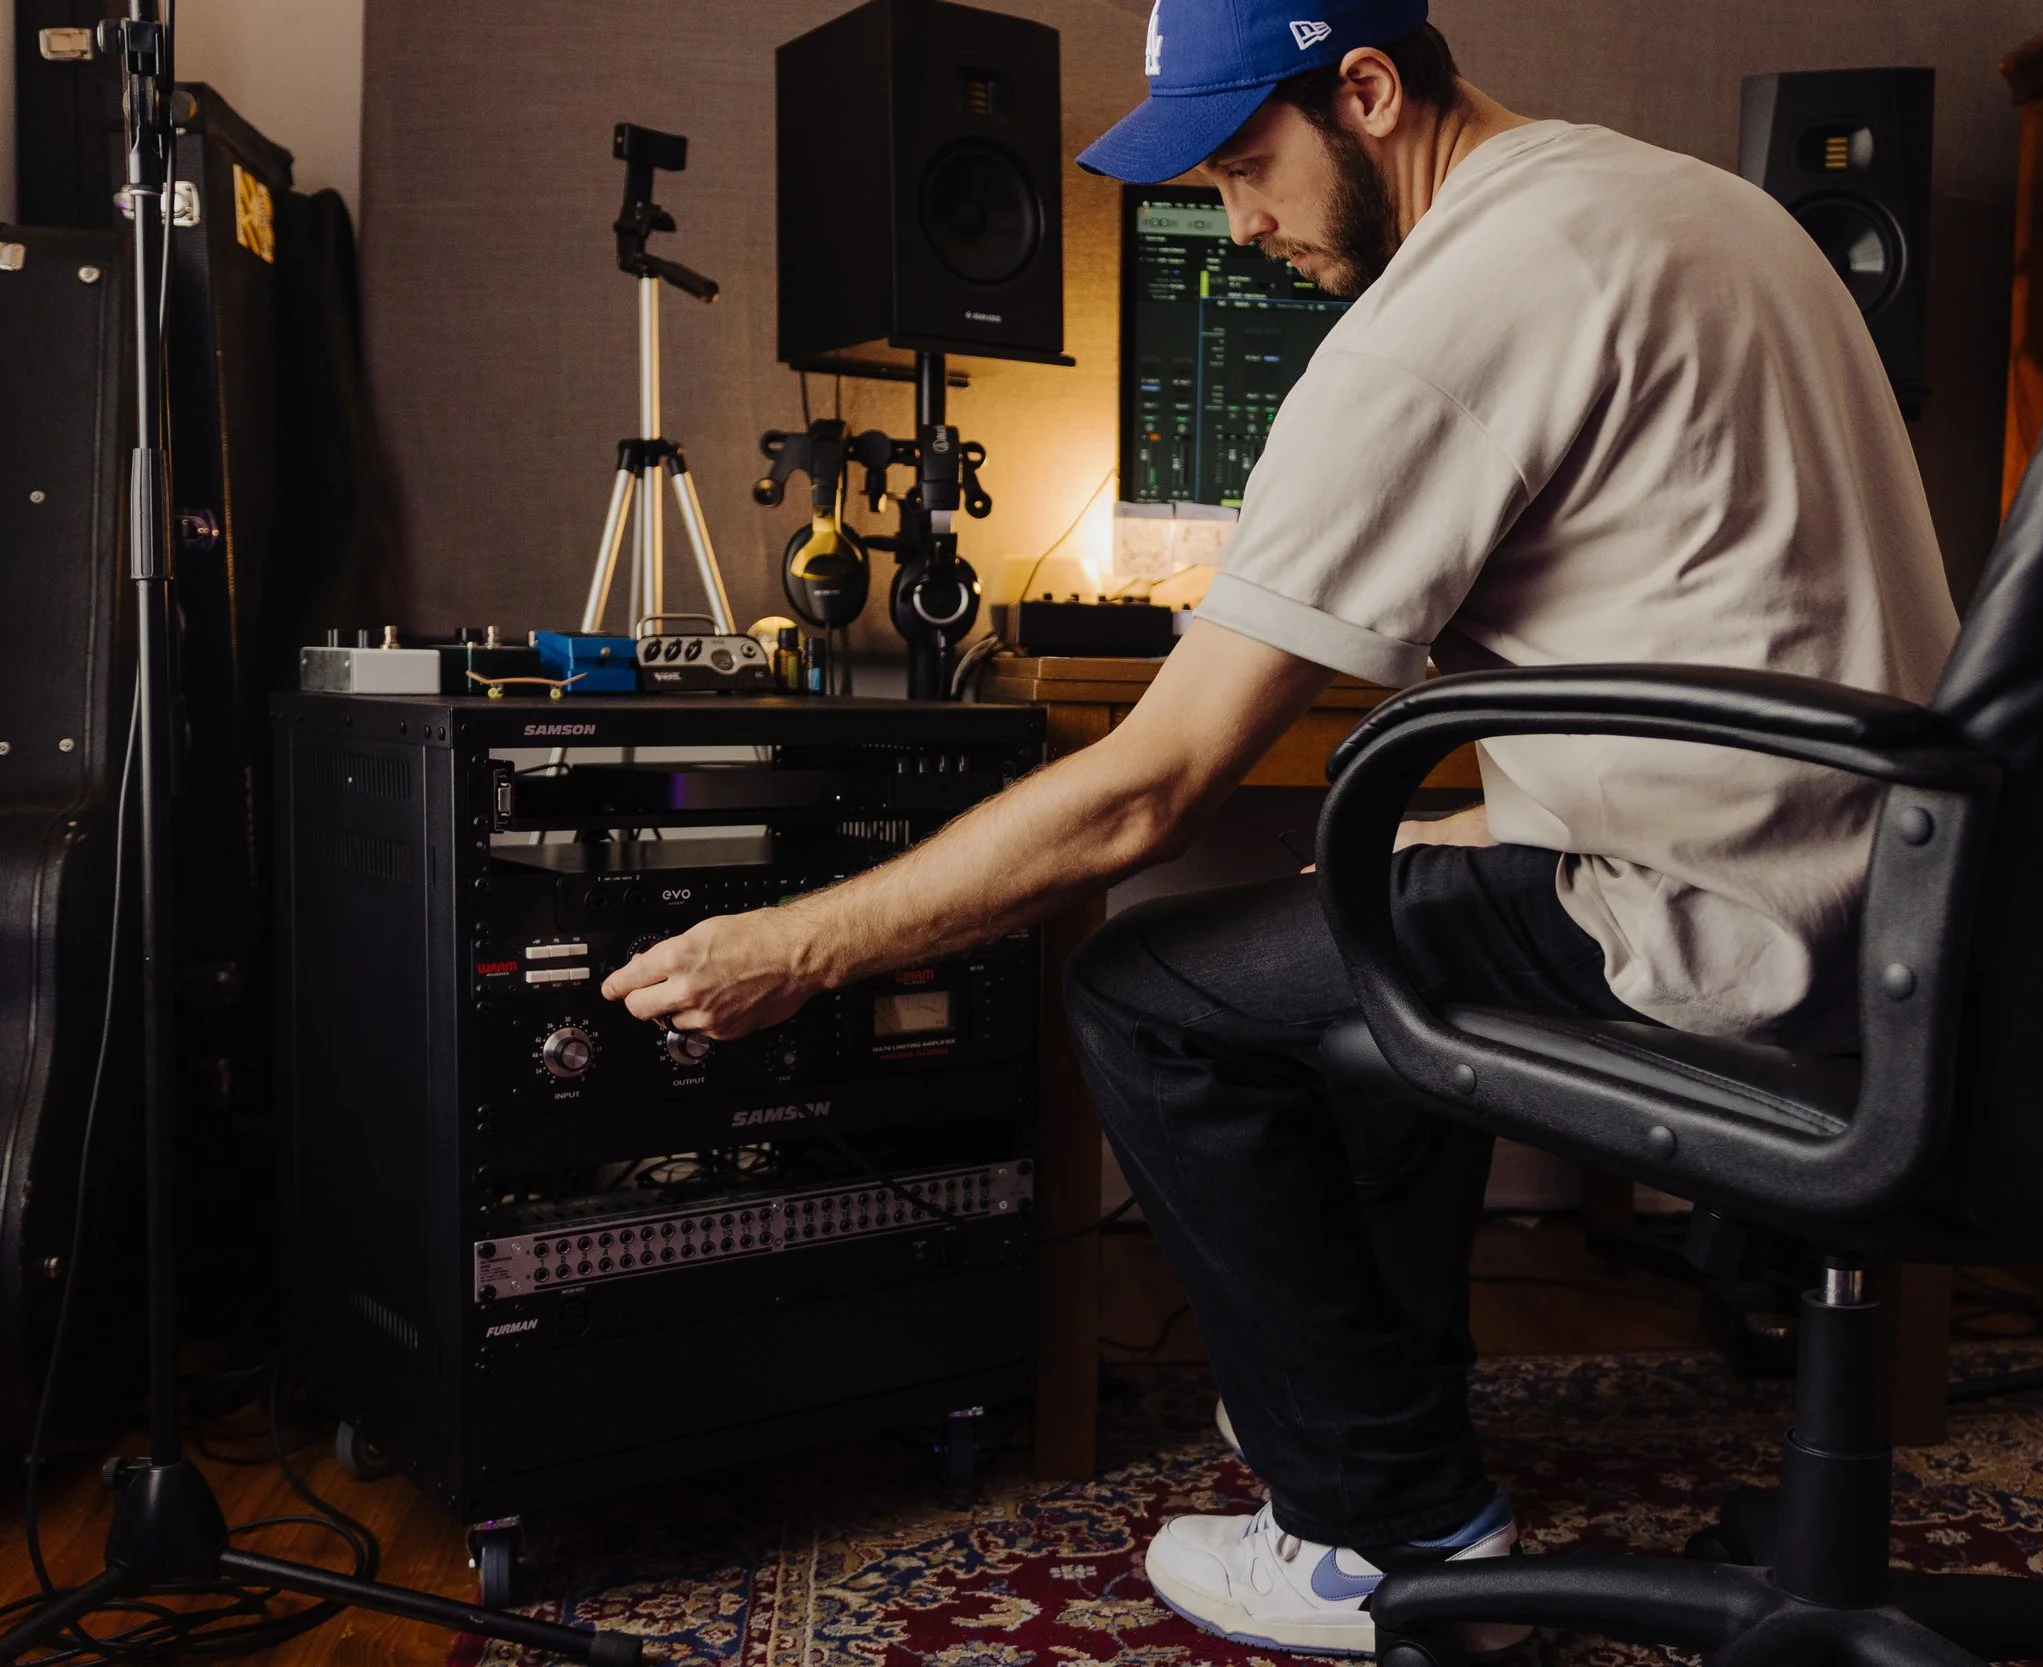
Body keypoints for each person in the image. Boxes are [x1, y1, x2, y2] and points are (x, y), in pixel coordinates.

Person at [602, 0, 1957, 1653]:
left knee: (1145, 996)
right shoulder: (1691, 204)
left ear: (1369, 93)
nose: (1235, 227)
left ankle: (1385, 1528)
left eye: (1249, 167)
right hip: (1905, 914)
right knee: (1363, 899)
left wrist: (796, 942)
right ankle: (1379, 1404)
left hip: (1723, 929)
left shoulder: (1440, 318)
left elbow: (1149, 786)